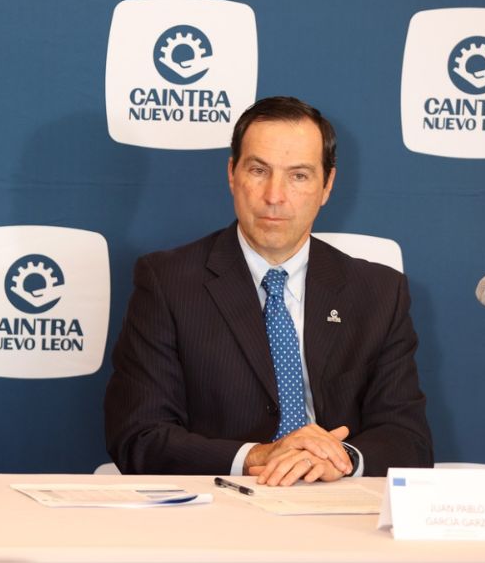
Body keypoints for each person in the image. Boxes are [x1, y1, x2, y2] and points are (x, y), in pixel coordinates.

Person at [104, 96, 432, 485]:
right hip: (219, 516)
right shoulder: (167, 282)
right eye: (259, 170)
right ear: (232, 173)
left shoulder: (378, 292)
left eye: (299, 176)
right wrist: (259, 456)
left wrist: (340, 458)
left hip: (339, 509)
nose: (275, 196)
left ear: (327, 185)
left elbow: (409, 440)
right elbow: (139, 436)